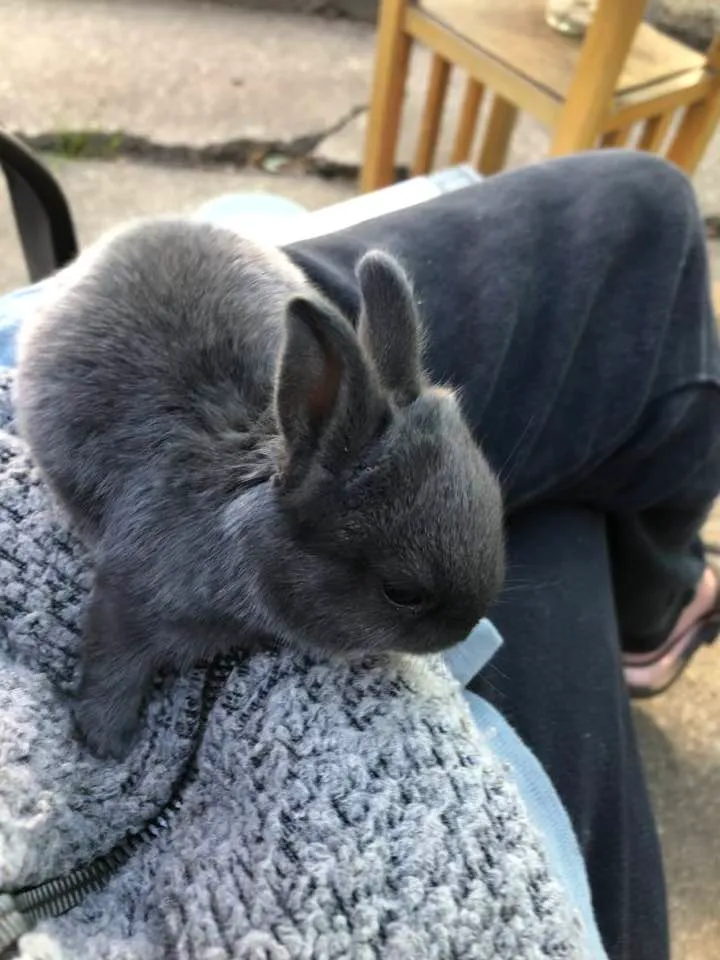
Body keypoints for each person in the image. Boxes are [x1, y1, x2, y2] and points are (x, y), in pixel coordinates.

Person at [0, 149, 718, 960]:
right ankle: (661, 607)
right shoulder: (187, 564)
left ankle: (659, 606)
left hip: (209, 285)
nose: (446, 629)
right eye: (409, 597)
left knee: (651, 202)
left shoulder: (348, 490)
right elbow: (122, 616)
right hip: (94, 332)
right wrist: (104, 728)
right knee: (644, 220)